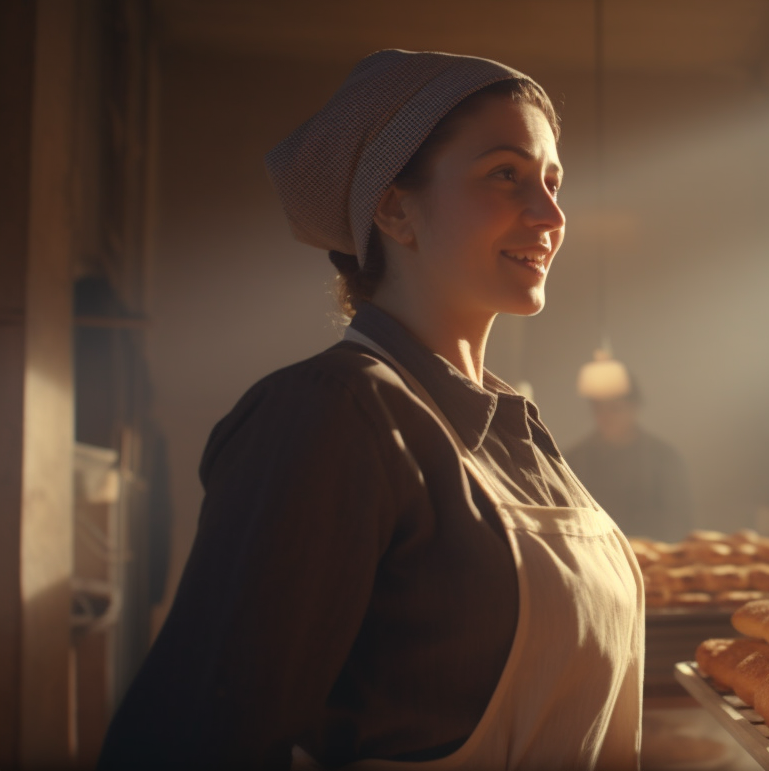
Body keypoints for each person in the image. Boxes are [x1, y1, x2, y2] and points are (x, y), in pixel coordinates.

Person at [98, 50, 643, 770]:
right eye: (505, 174)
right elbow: (188, 739)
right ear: (394, 208)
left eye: (551, 180)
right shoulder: (333, 415)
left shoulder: (519, 433)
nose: (550, 214)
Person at [566, 356, 693, 542]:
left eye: (615, 408)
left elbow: (679, 521)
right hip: (595, 556)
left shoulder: (664, 460)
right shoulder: (575, 461)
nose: (605, 416)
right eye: (598, 408)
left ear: (634, 407)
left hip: (651, 560)